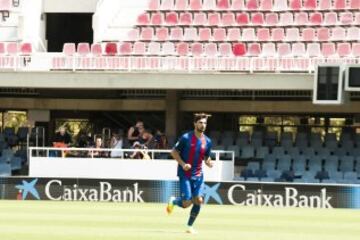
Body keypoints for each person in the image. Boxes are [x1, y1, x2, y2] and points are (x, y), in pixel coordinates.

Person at [166, 113, 213, 234]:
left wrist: (209, 163)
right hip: (185, 174)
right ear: (195, 124)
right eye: (200, 122)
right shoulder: (186, 138)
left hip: (198, 175)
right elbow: (174, 152)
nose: (203, 125)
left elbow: (206, 157)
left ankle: (189, 226)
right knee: (186, 203)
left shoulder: (208, 141)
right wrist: (183, 164)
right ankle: (174, 201)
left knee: (199, 200)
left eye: (205, 123)